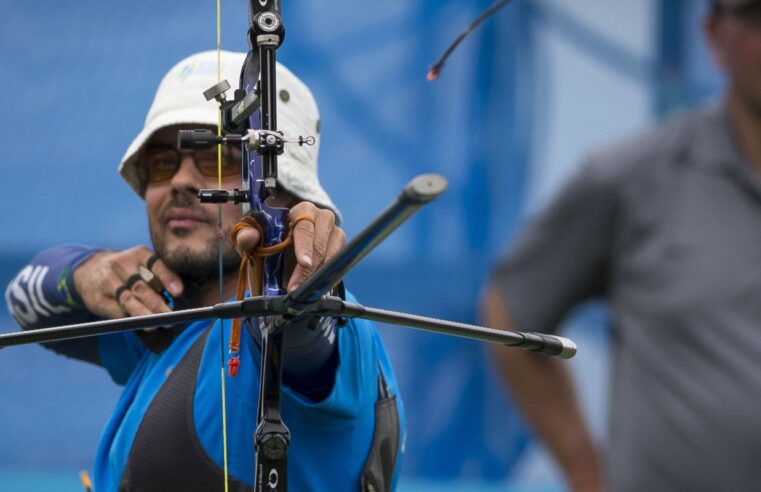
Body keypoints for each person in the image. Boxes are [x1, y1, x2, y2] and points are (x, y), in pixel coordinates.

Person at [4, 50, 404, 492]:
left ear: (284, 194)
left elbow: (304, 335)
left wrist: (299, 282)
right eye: (162, 164)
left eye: (219, 160)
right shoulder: (160, 319)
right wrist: (86, 273)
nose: (180, 180)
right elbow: (25, 300)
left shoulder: (323, 337)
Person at [482, 1, 761, 490]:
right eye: (756, 13)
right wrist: (585, 472)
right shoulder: (634, 178)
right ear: (715, 35)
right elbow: (510, 312)